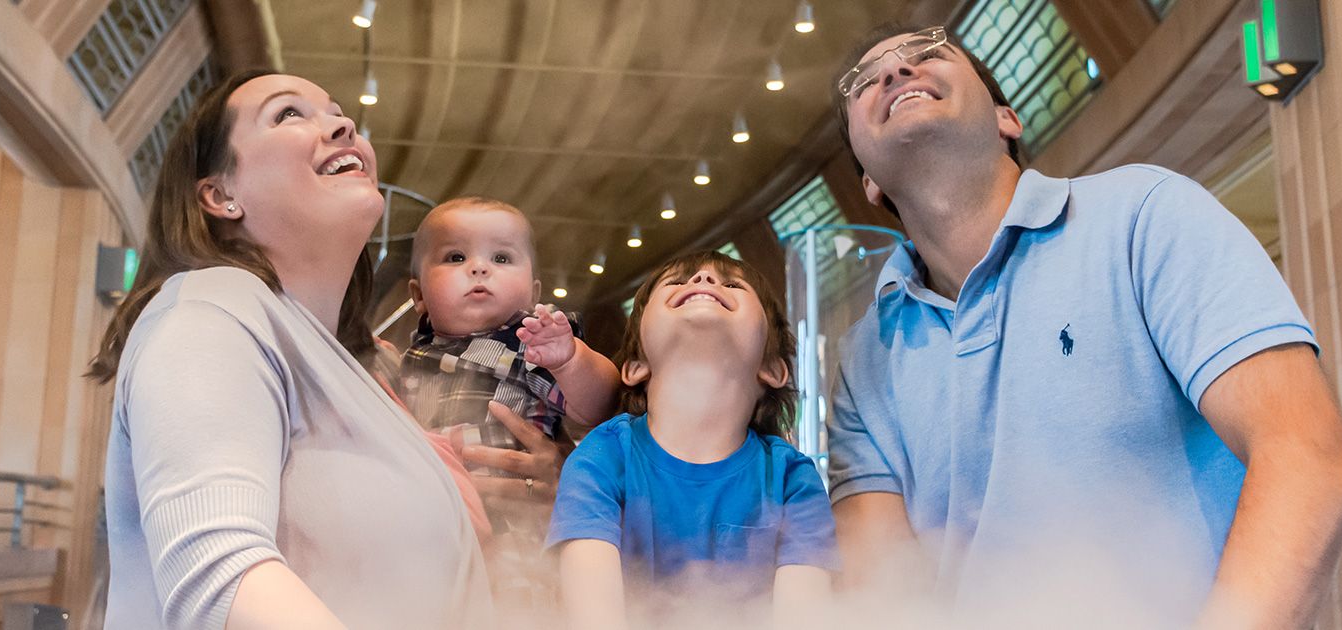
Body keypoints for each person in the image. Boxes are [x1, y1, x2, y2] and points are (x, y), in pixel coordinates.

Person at [824, 24, 1342, 628]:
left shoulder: (1144, 216)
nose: (897, 73)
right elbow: (883, 592)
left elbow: (1307, 455)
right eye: (865, 81)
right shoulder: (866, 355)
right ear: (868, 182)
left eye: (928, 54)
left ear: (1008, 118)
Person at [87, 71, 491, 629]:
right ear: (221, 194)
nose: (344, 125)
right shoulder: (209, 310)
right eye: (288, 114)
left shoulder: (356, 367)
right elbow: (223, 577)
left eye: (337, 111)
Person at [548, 251, 837, 630]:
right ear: (635, 366)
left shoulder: (793, 481)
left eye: (732, 285)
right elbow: (593, 617)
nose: (702, 279)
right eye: (677, 282)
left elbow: (804, 618)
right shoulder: (602, 459)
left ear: (772, 368)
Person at [398, 196, 622, 612]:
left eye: (501, 257)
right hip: (431, 535)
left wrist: (571, 360)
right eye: (455, 256)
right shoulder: (409, 358)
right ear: (419, 295)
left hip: (514, 529)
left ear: (534, 291)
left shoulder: (531, 344)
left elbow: (602, 404)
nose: (480, 267)